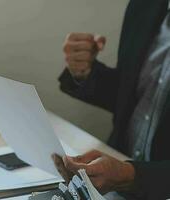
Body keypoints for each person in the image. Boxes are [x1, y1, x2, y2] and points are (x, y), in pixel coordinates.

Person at [53, 0, 170, 199]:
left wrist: (129, 175)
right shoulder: (145, 5)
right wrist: (86, 73)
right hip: (113, 183)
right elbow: (134, 97)